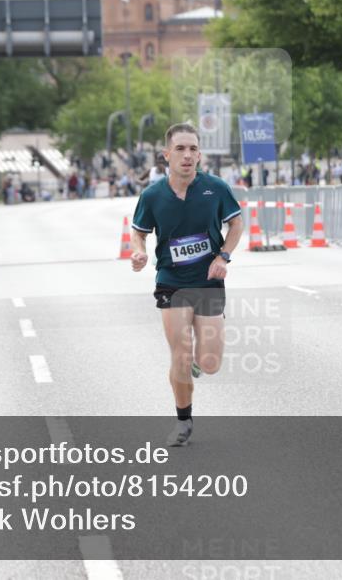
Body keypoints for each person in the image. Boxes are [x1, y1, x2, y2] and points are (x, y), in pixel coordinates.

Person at [129, 123, 244, 447]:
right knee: (179, 355)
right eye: (180, 148)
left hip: (207, 283)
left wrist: (222, 257)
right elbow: (138, 231)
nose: (187, 155)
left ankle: (196, 365)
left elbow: (236, 223)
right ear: (167, 155)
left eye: (193, 148)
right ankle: (183, 422)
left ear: (199, 155)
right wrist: (138, 252)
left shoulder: (215, 188)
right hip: (171, 282)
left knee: (210, 363)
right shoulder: (152, 196)